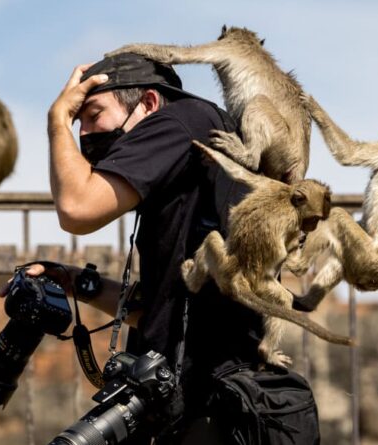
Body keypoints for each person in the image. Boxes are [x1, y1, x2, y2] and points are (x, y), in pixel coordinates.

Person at [27, 53, 295, 443]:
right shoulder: (186, 162)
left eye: (93, 115)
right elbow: (160, 311)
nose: (83, 134)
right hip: (198, 397)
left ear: (149, 104)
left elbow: (76, 209)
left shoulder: (180, 122)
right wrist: (76, 283)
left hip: (217, 402)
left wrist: (56, 121)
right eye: (75, 121)